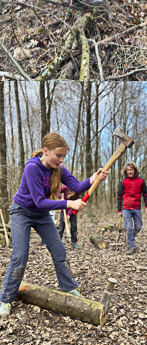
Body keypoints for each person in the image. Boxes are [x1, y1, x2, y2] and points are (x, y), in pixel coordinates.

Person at [0, 133, 108, 316]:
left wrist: (93, 178)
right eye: (58, 155)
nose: (61, 159)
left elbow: (77, 186)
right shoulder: (32, 168)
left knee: (58, 249)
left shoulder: (59, 168)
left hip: (41, 215)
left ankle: (68, 287)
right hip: (22, 212)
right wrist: (69, 204)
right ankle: (5, 298)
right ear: (45, 151)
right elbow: (39, 201)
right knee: (20, 255)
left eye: (63, 156)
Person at [117, 162, 147, 255]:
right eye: (128, 170)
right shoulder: (123, 182)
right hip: (126, 208)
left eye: (131, 170)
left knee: (138, 226)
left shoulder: (140, 181)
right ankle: (132, 247)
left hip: (136, 208)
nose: (129, 171)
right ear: (125, 171)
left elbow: (145, 194)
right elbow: (119, 196)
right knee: (129, 228)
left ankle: (130, 237)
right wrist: (119, 210)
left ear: (135, 170)